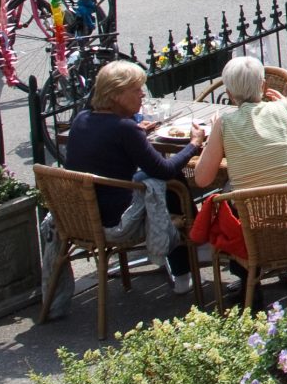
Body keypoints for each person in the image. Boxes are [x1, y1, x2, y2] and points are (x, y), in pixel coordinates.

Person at [61, 59, 201, 295]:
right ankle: (190, 253)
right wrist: (194, 144)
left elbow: (109, 145)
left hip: (80, 217)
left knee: (154, 179)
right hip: (117, 222)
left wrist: (138, 131)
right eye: (136, 90)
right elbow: (163, 170)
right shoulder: (124, 129)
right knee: (172, 179)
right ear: (115, 95)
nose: (142, 95)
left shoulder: (81, 120)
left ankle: (191, 251)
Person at [188, 55, 287, 190]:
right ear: (263, 86)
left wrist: (212, 135)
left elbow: (202, 179)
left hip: (251, 218)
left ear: (229, 94)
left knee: (227, 191)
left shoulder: (223, 124)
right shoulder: (283, 109)